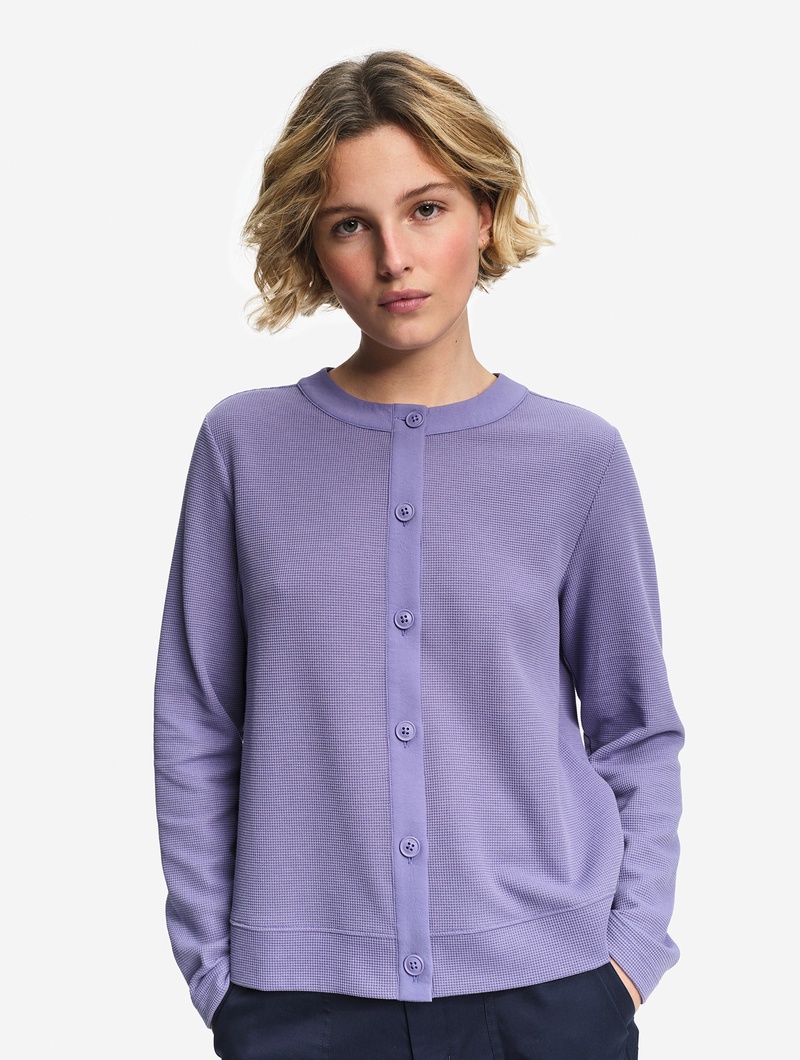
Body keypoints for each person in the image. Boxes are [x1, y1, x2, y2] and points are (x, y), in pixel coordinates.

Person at [154, 50, 683, 1060]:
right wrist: (216, 975)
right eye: (351, 224)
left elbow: (635, 728)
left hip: (547, 992)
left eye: (426, 209)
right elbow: (197, 720)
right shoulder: (243, 447)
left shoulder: (577, 458)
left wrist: (626, 958)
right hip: (299, 1002)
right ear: (315, 247)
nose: (393, 256)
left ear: (484, 212)